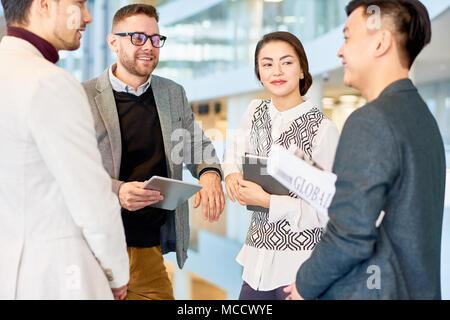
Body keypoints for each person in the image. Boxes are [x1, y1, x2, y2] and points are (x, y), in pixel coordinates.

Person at [285, 0, 446, 300]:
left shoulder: (371, 121)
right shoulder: (423, 119)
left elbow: (350, 234)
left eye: (347, 37)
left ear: (380, 43)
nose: (340, 51)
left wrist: (304, 286)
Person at [82, 4, 225, 300]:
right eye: (137, 37)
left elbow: (197, 145)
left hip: (149, 254)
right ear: (113, 42)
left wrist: (209, 172)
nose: (149, 47)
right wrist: (117, 191)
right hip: (93, 252)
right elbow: (71, 171)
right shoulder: (83, 96)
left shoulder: (172, 94)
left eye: (155, 39)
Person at [0, 0, 129, 300]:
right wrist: (116, 275)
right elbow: (93, 200)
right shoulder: (50, 83)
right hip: (59, 277)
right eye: (79, 4)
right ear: (44, 4)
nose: (87, 17)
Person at [223, 31, 340, 300]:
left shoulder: (324, 130)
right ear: (259, 73)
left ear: (302, 70)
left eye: (286, 62)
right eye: (267, 64)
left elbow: (330, 209)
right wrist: (231, 176)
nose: (277, 71)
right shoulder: (254, 111)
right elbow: (233, 155)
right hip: (255, 264)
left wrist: (268, 202)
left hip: (300, 269)